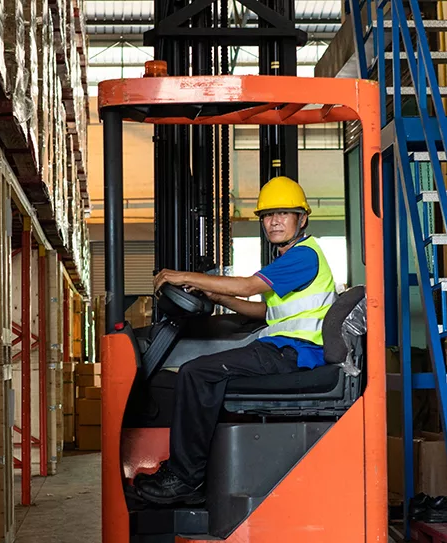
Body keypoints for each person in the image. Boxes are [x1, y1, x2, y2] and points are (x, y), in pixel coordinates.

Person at [134, 176, 337, 505]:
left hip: (295, 354)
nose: (274, 221)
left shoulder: (304, 257)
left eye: (283, 214)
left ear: (302, 219)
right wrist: (210, 292)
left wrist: (183, 276)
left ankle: (185, 479)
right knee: (202, 371)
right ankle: (188, 470)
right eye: (268, 215)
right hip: (284, 349)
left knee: (195, 373)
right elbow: (261, 311)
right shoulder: (291, 259)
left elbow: (245, 286)